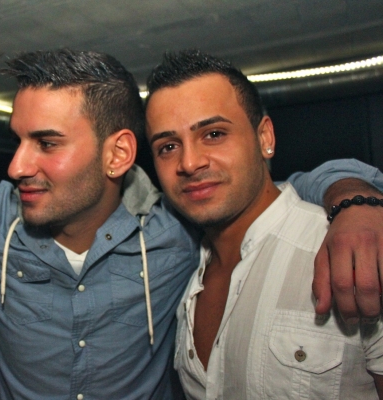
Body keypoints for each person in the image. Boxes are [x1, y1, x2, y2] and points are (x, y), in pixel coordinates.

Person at [0, 49, 383, 399]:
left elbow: (274, 186)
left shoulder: (176, 228)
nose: (16, 165)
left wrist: (354, 199)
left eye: (46, 143)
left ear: (118, 154)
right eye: (18, 140)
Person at [144, 49, 383, 399]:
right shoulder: (182, 265)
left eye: (214, 134)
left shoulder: (354, 249)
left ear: (265, 138)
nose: (189, 163)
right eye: (168, 146)